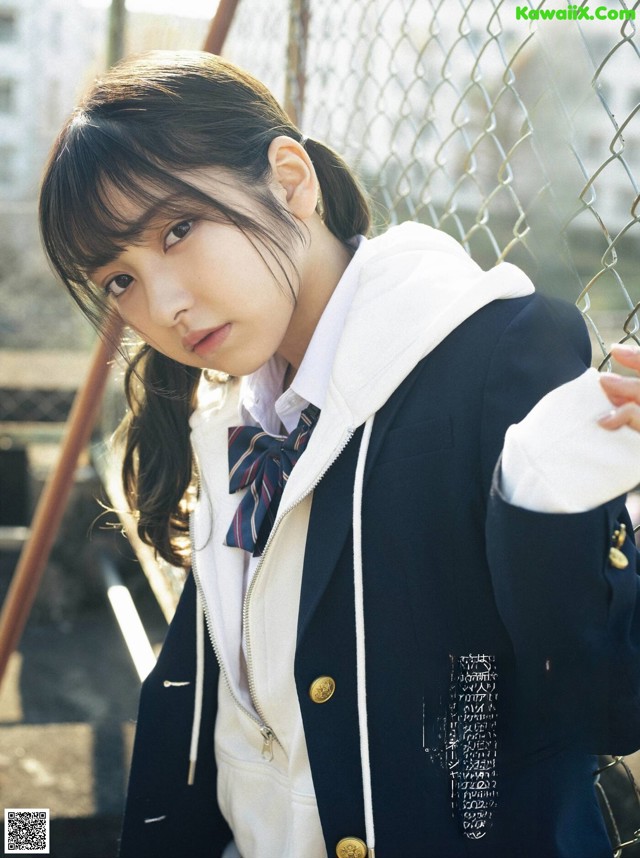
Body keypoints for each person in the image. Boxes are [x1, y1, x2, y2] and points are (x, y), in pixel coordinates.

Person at [38, 50, 640, 858]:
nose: (164, 306)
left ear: (290, 180)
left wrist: (546, 494)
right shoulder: (235, 415)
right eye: (120, 281)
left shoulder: (491, 351)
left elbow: (605, 706)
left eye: (178, 230)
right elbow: (214, 700)